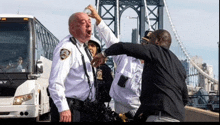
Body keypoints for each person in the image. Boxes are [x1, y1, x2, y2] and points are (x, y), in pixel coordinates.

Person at [91, 29, 189, 122]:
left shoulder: (155, 50)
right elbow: (184, 98)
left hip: (158, 117)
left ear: (158, 41)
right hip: (177, 117)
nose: (147, 44)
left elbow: (123, 47)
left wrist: (103, 53)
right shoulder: (179, 65)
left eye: (150, 39)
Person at [87, 5, 143, 118]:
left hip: (139, 111)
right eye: (143, 43)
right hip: (120, 108)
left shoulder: (155, 67)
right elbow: (111, 41)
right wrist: (98, 19)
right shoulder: (126, 58)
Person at [48, 12, 98, 122]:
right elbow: (55, 82)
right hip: (70, 111)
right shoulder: (67, 47)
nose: (89, 26)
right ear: (72, 27)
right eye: (84, 23)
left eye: (90, 22)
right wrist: (63, 108)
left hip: (84, 110)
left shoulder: (84, 48)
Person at [88, 35, 113, 104]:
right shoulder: (76, 67)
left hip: (96, 107)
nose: (89, 48)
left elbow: (108, 93)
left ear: (97, 49)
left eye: (92, 45)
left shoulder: (104, 69)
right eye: (87, 46)